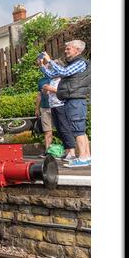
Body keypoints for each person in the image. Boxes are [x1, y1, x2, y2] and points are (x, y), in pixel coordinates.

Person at [40, 39, 90, 167]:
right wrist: (42, 65)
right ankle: (87, 156)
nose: (66, 50)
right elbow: (52, 74)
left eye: (69, 48)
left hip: (75, 99)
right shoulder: (72, 64)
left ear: (77, 50)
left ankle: (83, 157)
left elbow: (64, 72)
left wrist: (50, 60)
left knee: (77, 129)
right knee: (79, 129)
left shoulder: (80, 63)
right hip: (72, 99)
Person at [42, 75, 76, 162]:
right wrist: (46, 89)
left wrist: (49, 88)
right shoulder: (52, 80)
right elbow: (48, 93)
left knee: (65, 128)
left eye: (52, 68)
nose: (50, 71)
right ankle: (67, 152)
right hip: (53, 105)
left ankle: (72, 153)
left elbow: (62, 92)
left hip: (61, 105)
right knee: (60, 130)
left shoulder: (62, 79)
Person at [35, 62, 54, 156]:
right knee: (47, 131)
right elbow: (39, 95)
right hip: (44, 108)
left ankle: (68, 152)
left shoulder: (55, 78)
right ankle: (48, 152)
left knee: (62, 130)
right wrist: (37, 109)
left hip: (55, 107)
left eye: (46, 67)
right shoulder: (41, 80)